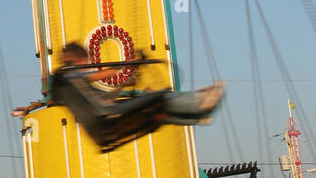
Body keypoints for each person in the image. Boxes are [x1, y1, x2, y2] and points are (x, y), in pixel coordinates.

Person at [40, 43, 224, 144]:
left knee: (158, 116)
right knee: (158, 98)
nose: (86, 66)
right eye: (84, 62)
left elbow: (105, 99)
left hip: (105, 125)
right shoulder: (69, 75)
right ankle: (198, 101)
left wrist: (122, 85)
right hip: (108, 119)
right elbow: (100, 74)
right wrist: (131, 62)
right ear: (78, 60)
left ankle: (198, 116)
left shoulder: (78, 91)